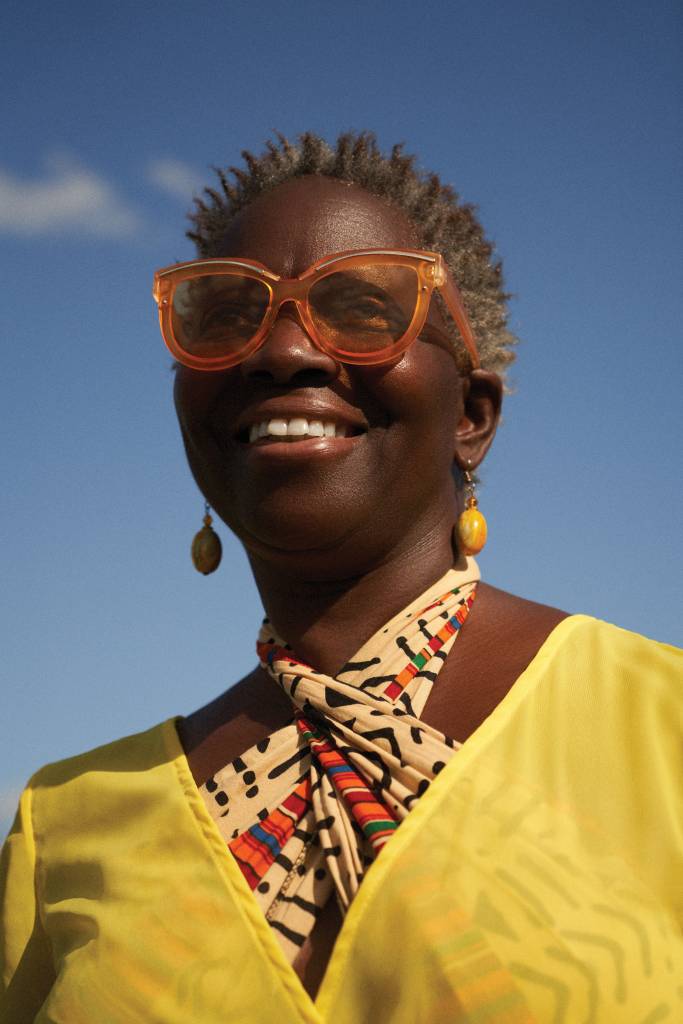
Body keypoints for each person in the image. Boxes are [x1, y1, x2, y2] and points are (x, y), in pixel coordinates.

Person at [1, 132, 680, 1024]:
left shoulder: (658, 728)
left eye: (362, 309)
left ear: (471, 417)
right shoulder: (67, 822)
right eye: (225, 313)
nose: (282, 351)